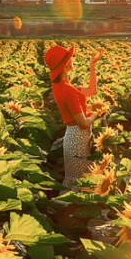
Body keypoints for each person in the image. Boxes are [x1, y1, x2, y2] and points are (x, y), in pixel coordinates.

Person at [44, 44, 103, 187]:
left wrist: (92, 64)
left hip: (75, 137)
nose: (72, 59)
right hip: (77, 139)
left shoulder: (62, 86)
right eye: (69, 58)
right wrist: (96, 114)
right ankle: (64, 208)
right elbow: (83, 123)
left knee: (77, 180)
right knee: (79, 183)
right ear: (65, 65)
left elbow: (91, 90)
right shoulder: (68, 91)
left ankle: (65, 207)